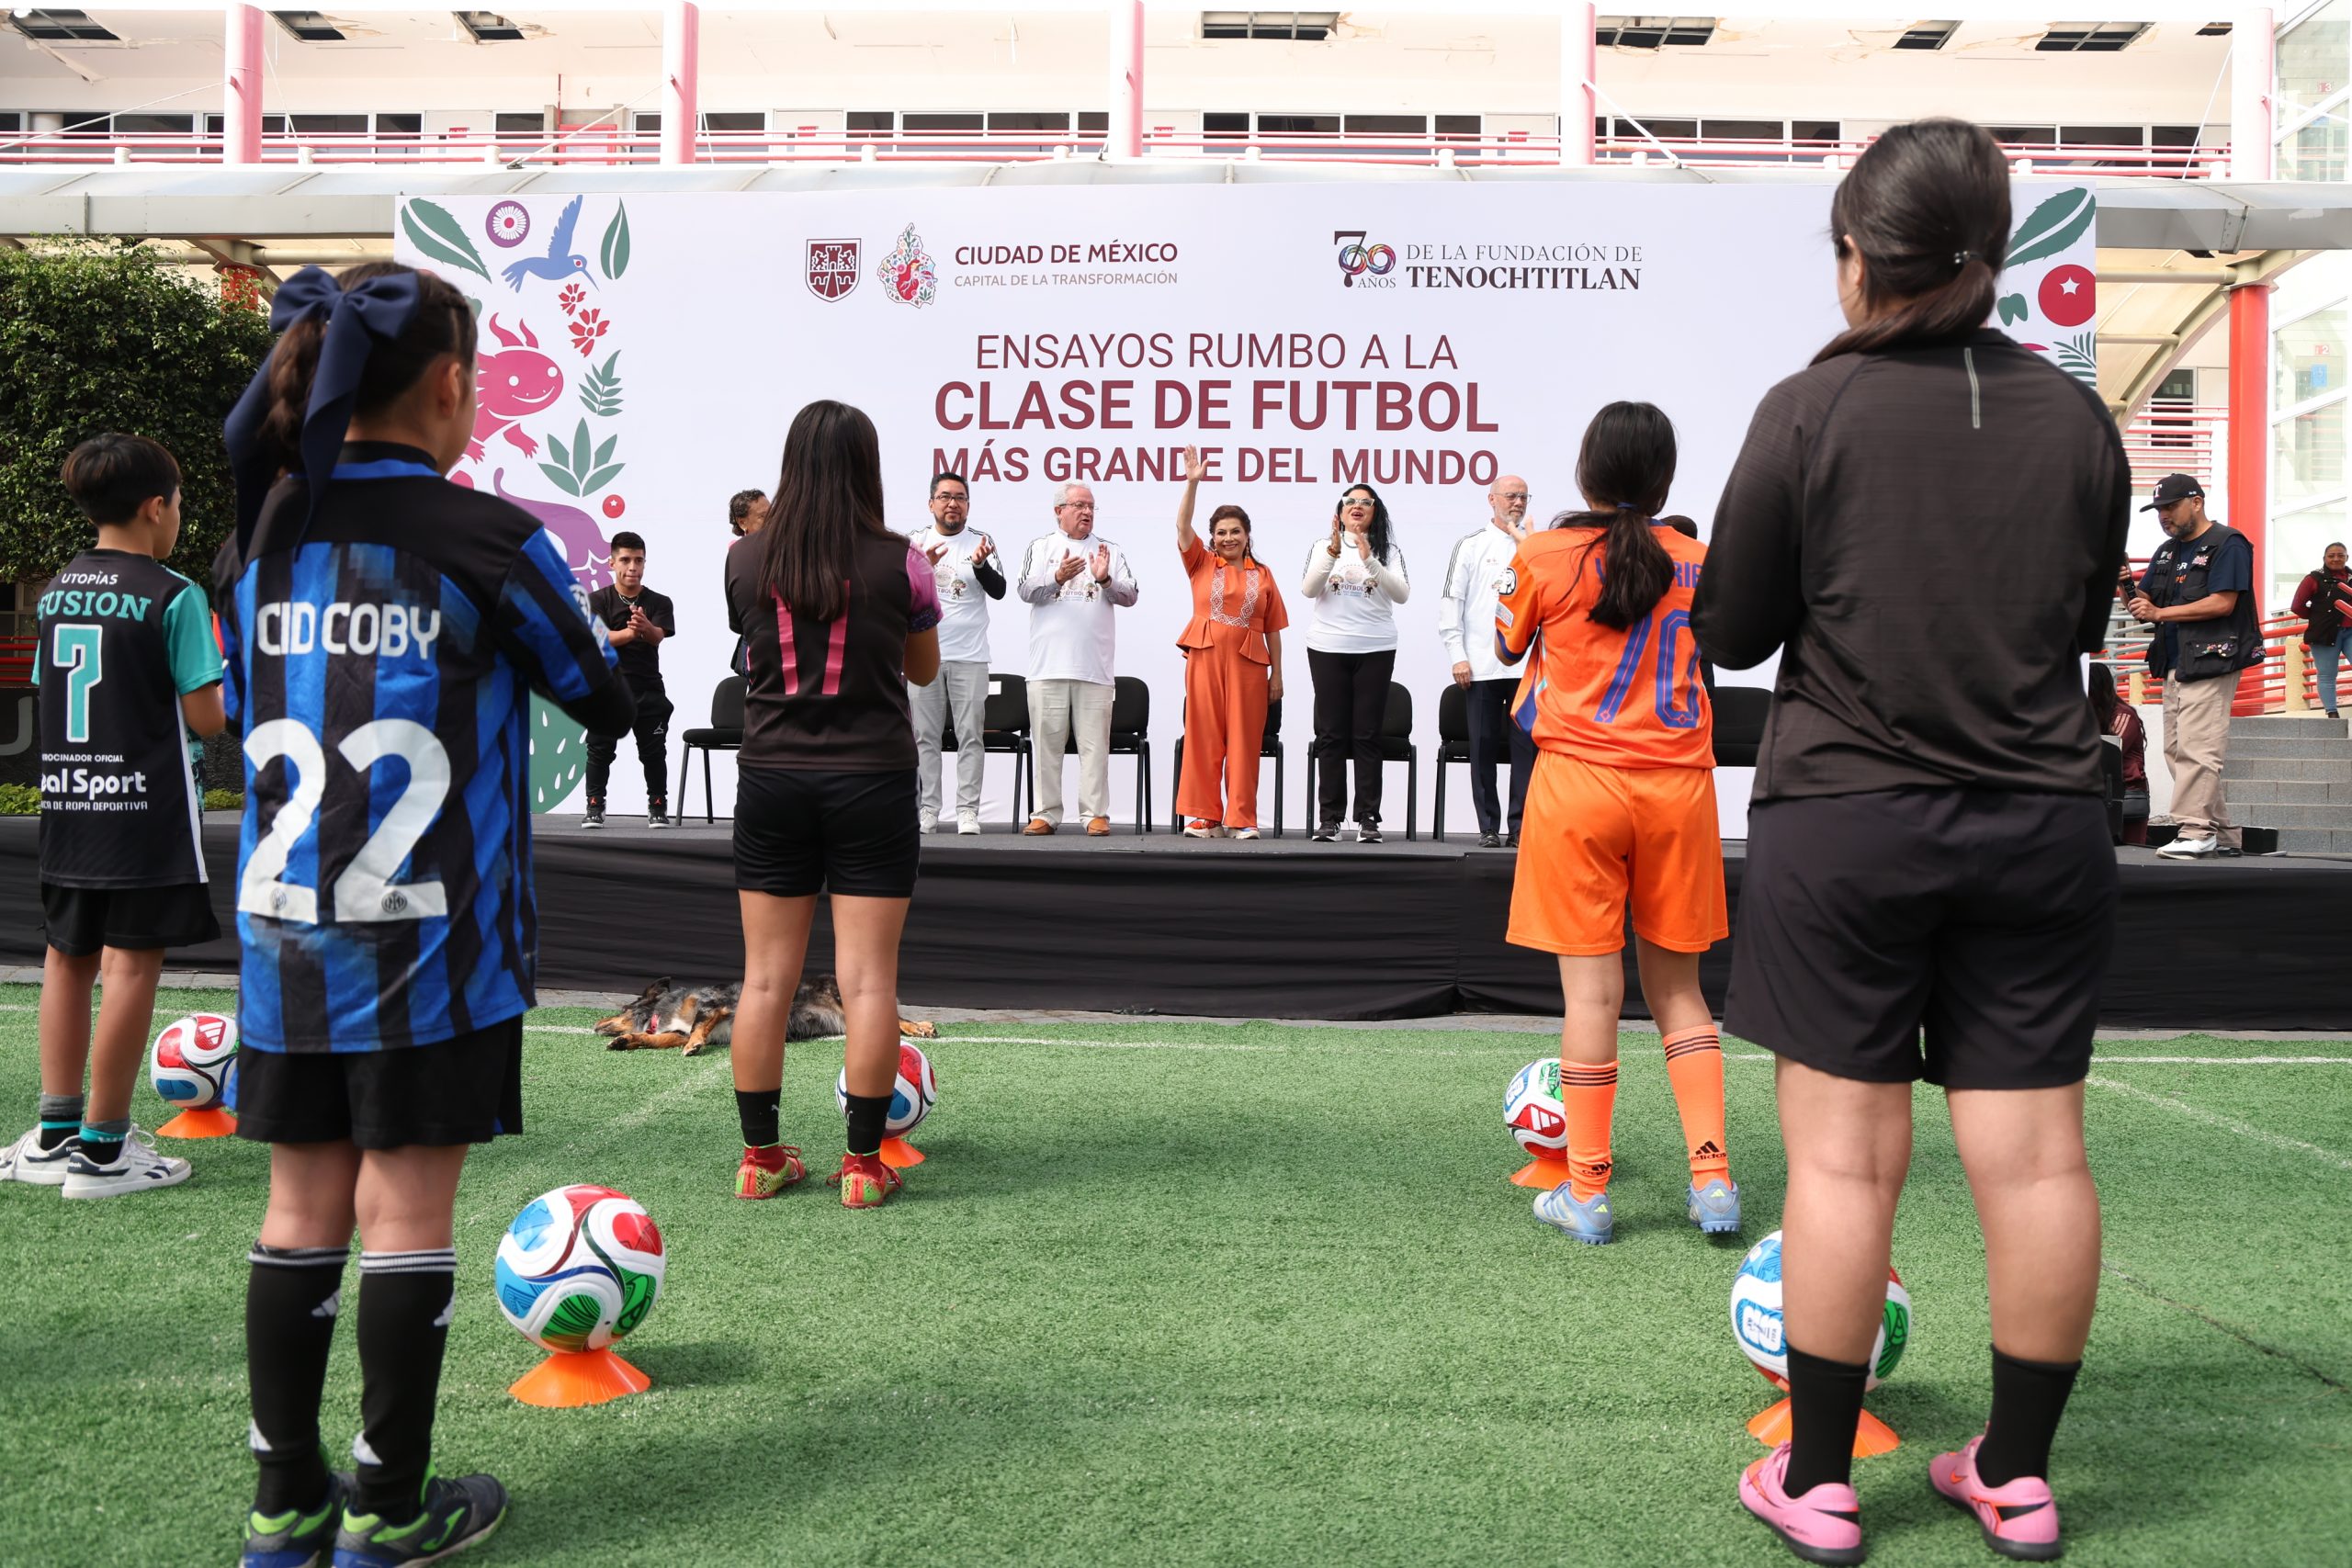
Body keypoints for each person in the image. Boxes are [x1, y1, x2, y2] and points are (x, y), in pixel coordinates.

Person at [1691, 120, 2128, 1565]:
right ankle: (2015, 1472)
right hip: (2042, 820)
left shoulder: (1807, 409)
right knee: (2039, 1162)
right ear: (1989, 255)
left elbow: (1733, 629)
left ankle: (1820, 1480)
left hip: (1850, 822)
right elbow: (2074, 625)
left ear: (1858, 257)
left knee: (1841, 1166)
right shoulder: (2079, 422)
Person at [217, 262, 636, 1568]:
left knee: (298, 1210)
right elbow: (602, 695)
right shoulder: (484, 539)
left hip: (286, 943)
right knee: (404, 1215)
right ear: (452, 384)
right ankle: (387, 1509)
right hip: (432, 948)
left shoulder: (257, 535)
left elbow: (240, 710)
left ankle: (285, 1507)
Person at [1494, 405, 1736, 1249]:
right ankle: (1712, 1179)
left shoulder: (1543, 553)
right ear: (1664, 479)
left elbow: (1505, 645)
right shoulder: (1703, 561)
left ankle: (1589, 1189)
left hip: (1578, 785)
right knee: (1682, 993)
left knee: (1591, 997)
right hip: (1678, 788)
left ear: (1586, 471)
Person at [724, 400, 940, 1209]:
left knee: (764, 981)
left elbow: (753, 649)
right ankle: (862, 1167)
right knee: (869, 982)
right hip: (872, 781)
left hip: (772, 780)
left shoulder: (744, 557)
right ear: (865, 467)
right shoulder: (902, 560)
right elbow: (923, 670)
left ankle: (761, 1159)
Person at [0, 433, 223, 1200]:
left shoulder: (58, 591)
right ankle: (103, 1150)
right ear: (156, 506)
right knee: (129, 966)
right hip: (143, 813)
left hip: (70, 808)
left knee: (66, 959)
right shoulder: (175, 594)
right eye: (180, 504)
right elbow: (206, 719)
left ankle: (54, 1134)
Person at [2126, 473, 2261, 859]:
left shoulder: (2228, 542)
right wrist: (2125, 586)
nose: (2163, 515)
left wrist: (2159, 612)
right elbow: (2144, 602)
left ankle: (2195, 830)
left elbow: (2223, 602)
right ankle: (2225, 835)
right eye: (2159, 510)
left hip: (2213, 659)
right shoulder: (2167, 551)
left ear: (2196, 502)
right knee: (2176, 750)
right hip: (2174, 659)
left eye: (2170, 507)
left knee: (2198, 750)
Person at [1172, 446, 1288, 839]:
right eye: (1221, 532)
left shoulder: (1264, 574)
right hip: (1204, 658)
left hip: (1250, 665)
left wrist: (1277, 675)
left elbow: (1274, 628)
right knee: (1203, 735)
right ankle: (1205, 817)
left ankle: (1241, 818)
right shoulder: (1201, 562)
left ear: (1247, 534)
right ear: (1212, 538)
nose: (1228, 538)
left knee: (1244, 741)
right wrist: (1192, 484)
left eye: (1235, 531)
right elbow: (1182, 525)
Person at [1015, 482, 1137, 836]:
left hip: (1094, 668)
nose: (1087, 512)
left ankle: (1094, 814)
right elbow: (1025, 590)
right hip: (1047, 667)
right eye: (1079, 506)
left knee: (1095, 748)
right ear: (1059, 511)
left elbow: (1131, 595)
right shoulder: (1041, 547)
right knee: (1047, 746)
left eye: (1091, 507)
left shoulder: (1109, 550)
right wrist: (1057, 577)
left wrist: (1105, 580)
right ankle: (1045, 813)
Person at [1301, 482, 1410, 842]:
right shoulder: (1323, 547)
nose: (1357, 506)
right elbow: (1309, 589)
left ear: (1376, 512)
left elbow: (1402, 594)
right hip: (1328, 647)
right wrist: (1333, 553)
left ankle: (1367, 818)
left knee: (1367, 734)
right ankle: (1330, 819)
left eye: (1366, 502)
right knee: (1331, 734)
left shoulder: (1388, 550)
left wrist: (1370, 560)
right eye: (1350, 501)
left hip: (1375, 648)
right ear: (1340, 511)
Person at [1440, 474, 1536, 847]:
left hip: (1526, 667)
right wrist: (1457, 656)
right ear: (1491, 499)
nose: (1518, 503)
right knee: (1482, 747)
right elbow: (1452, 603)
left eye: (1523, 497)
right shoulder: (1471, 545)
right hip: (1481, 665)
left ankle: (1520, 826)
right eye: (1511, 496)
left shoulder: (1535, 546)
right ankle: (1488, 827)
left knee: (1526, 749)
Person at [908, 470, 1004, 835]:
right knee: (925, 737)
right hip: (923, 655)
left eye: (960, 498)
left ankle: (967, 811)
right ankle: (929, 809)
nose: (953, 504)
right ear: (931, 503)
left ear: (968, 505)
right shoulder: (914, 543)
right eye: (946, 497)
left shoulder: (982, 541)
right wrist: (922, 570)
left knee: (970, 736)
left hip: (970, 656)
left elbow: (999, 590)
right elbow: (896, 594)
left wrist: (980, 566)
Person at [584, 530, 675, 829]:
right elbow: (599, 639)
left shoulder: (660, 602)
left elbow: (657, 636)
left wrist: (646, 628)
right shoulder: (596, 600)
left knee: (654, 753)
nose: (632, 567)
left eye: (638, 560)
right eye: (625, 560)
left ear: (645, 563)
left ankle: (657, 806)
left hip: (648, 690)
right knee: (599, 751)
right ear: (612, 563)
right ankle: (595, 806)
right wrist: (631, 632)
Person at [2089, 661, 2150, 844]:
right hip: (2099, 791)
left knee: (2131, 851)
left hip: (2126, 792)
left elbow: (2108, 752)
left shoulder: (2123, 715)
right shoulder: (2088, 714)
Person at [2290, 541, 2351, 717]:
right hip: (2324, 633)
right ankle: (2332, 712)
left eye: (2340, 555)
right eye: (2331, 556)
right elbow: (2297, 606)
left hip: (2350, 631)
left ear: (2347, 558)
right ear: (2324, 558)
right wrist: (2317, 617)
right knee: (2327, 674)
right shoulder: (2314, 578)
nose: (2336, 559)